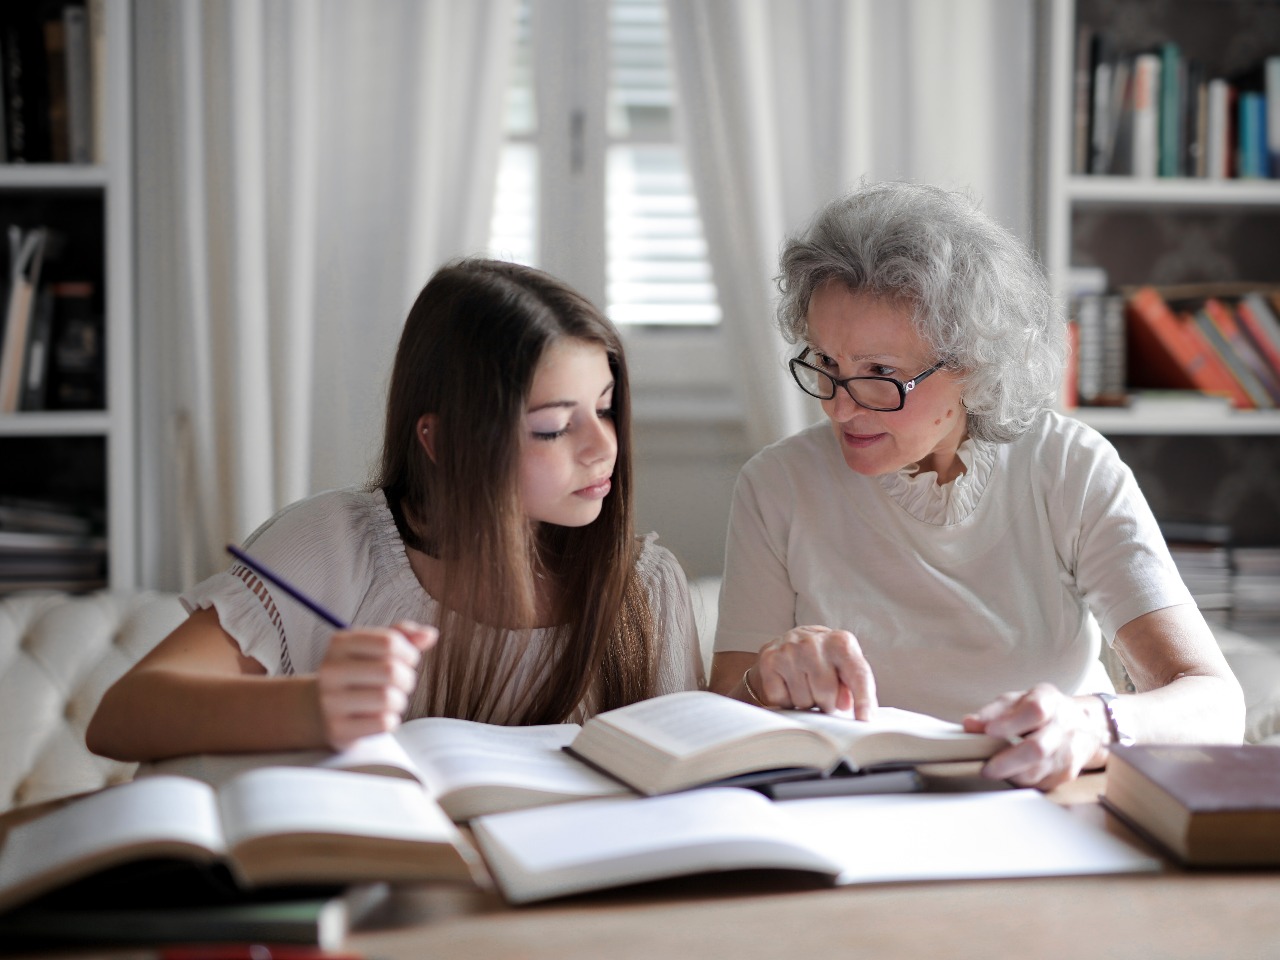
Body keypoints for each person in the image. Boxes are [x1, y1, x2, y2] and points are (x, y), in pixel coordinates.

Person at [710, 180, 1244, 790]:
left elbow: (1214, 703)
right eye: (827, 365)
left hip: (1051, 803)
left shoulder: (1068, 468)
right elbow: (718, 717)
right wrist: (766, 681)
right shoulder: (777, 485)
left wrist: (1091, 724)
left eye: (880, 374)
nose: (839, 408)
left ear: (971, 364)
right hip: (855, 812)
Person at [88, 258, 703, 761]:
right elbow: (123, 717)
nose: (602, 447)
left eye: (604, 407)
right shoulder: (334, 547)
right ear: (443, 441)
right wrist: (312, 705)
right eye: (552, 427)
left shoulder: (646, 587)